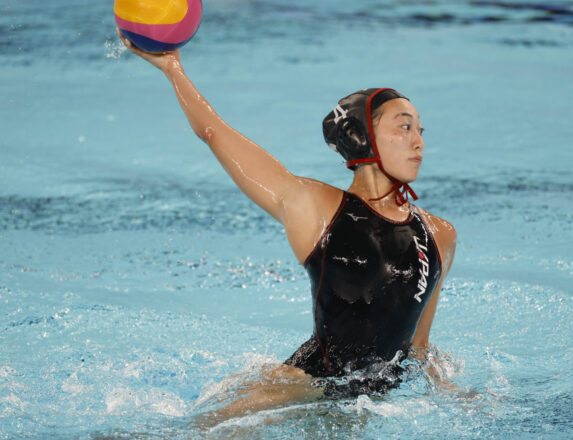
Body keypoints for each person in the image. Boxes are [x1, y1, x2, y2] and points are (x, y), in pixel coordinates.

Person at [117, 31, 456, 424]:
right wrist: (173, 68)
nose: (419, 142)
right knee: (200, 430)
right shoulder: (317, 208)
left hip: (364, 404)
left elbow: (418, 346)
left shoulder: (439, 235)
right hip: (304, 387)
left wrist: (455, 395)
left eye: (421, 131)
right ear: (360, 136)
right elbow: (214, 132)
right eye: (404, 127)